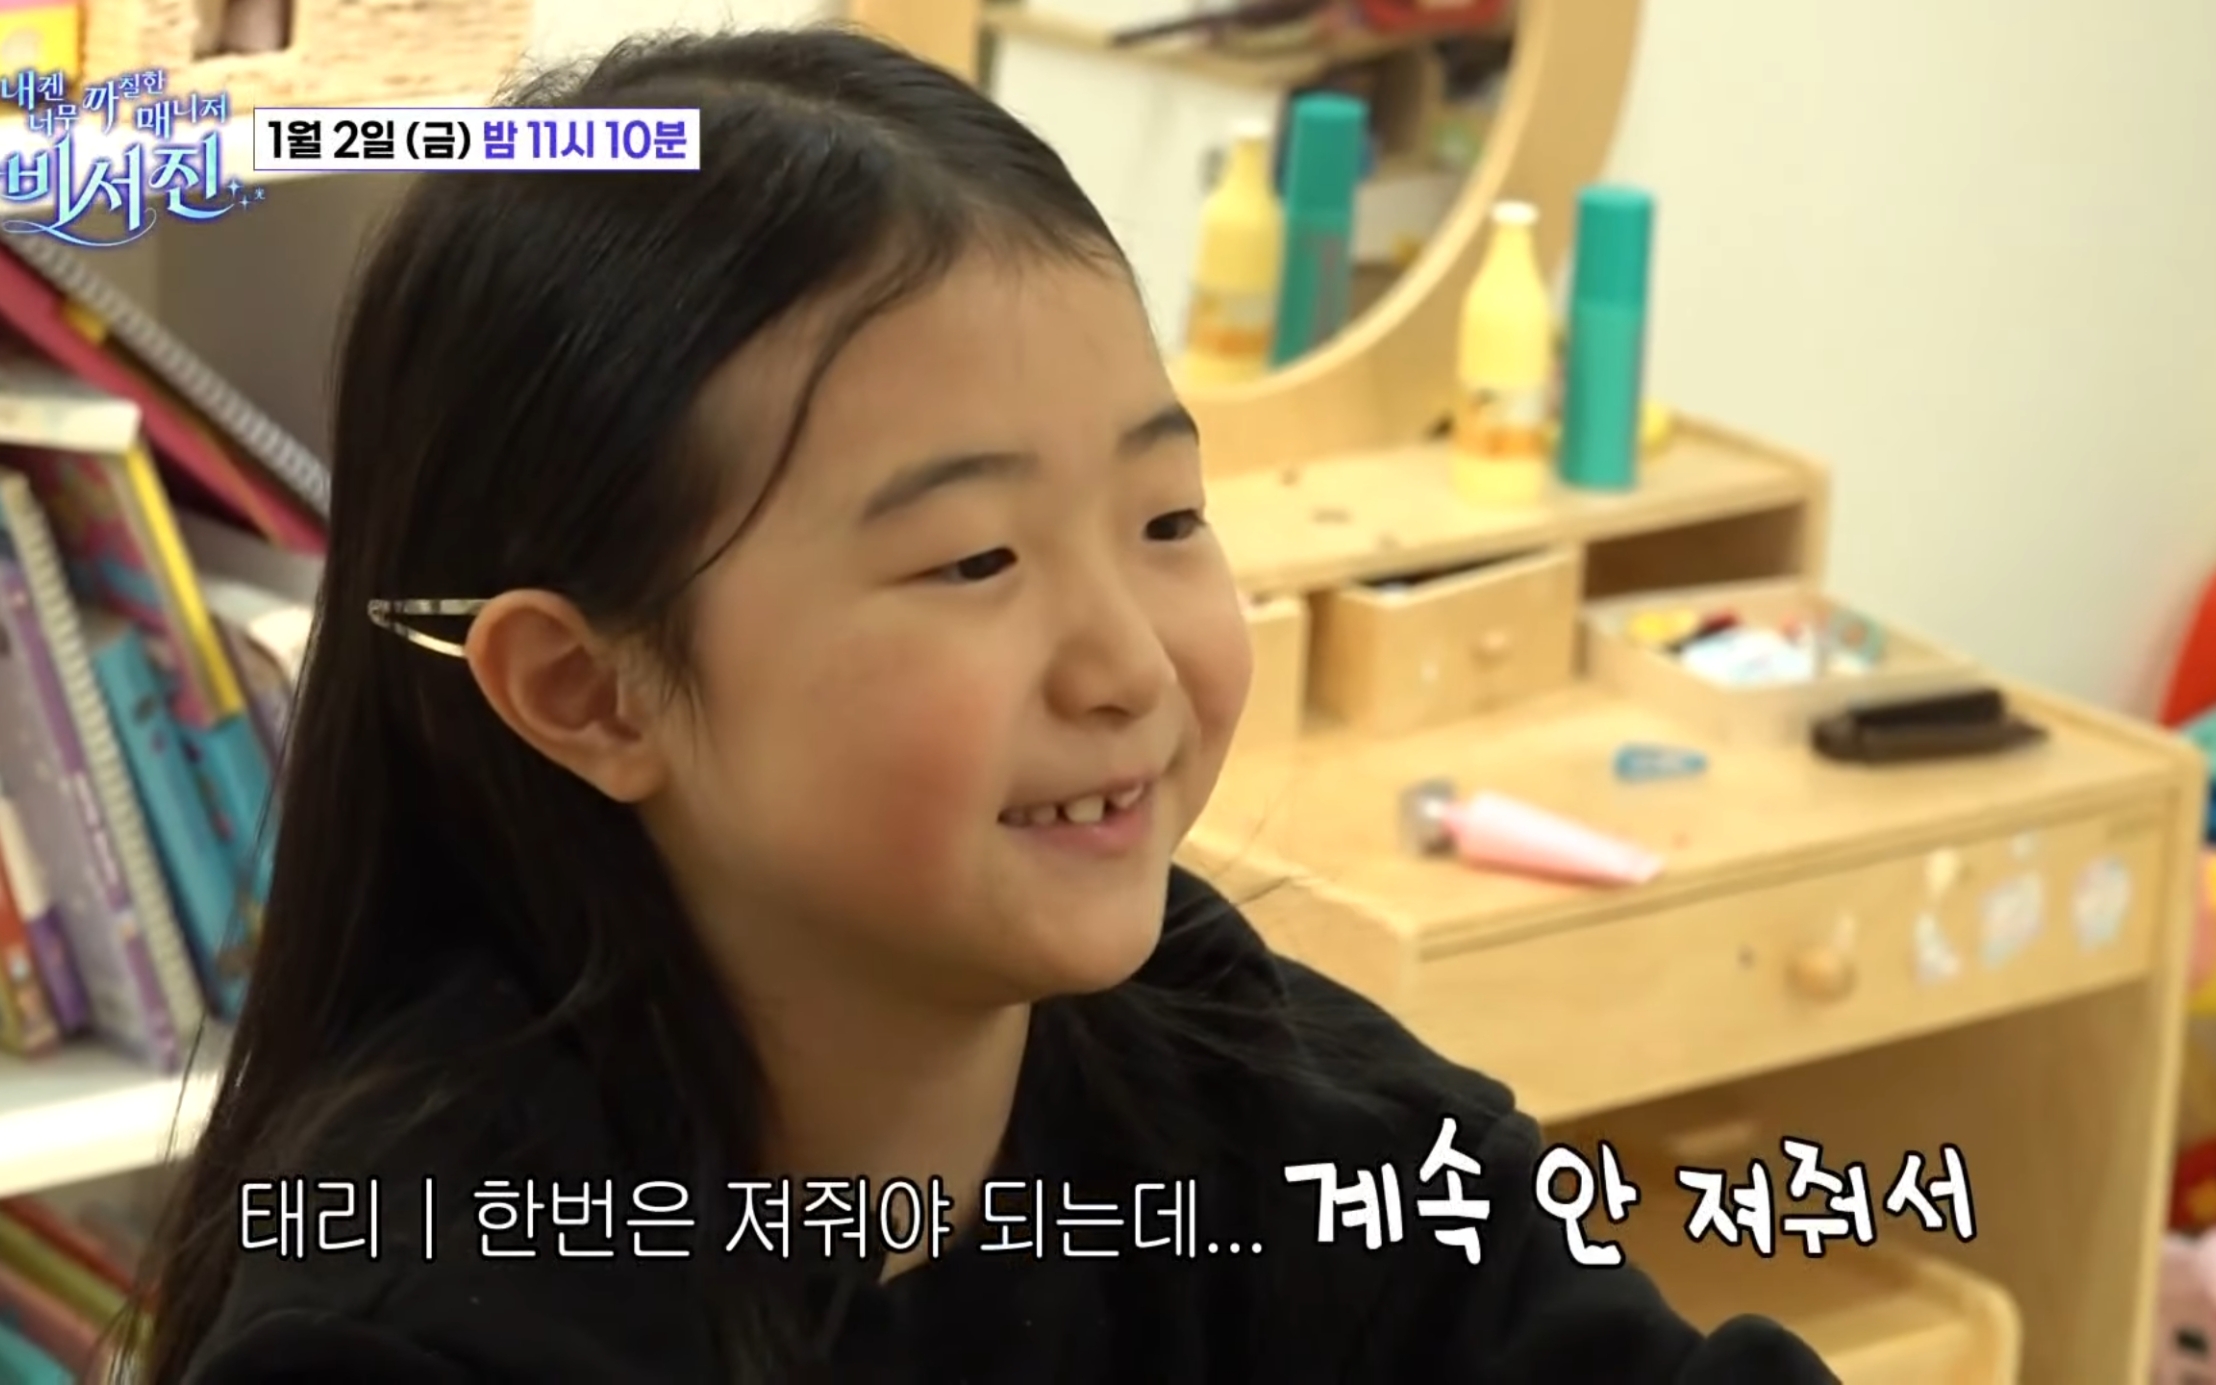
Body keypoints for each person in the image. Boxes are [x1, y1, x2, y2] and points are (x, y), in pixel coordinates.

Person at [134, 27, 1838, 1385]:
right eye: (975, 559)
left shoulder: (1250, 1085)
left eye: (1166, 519)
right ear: (588, 691)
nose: (1129, 665)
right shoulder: (413, 1320)